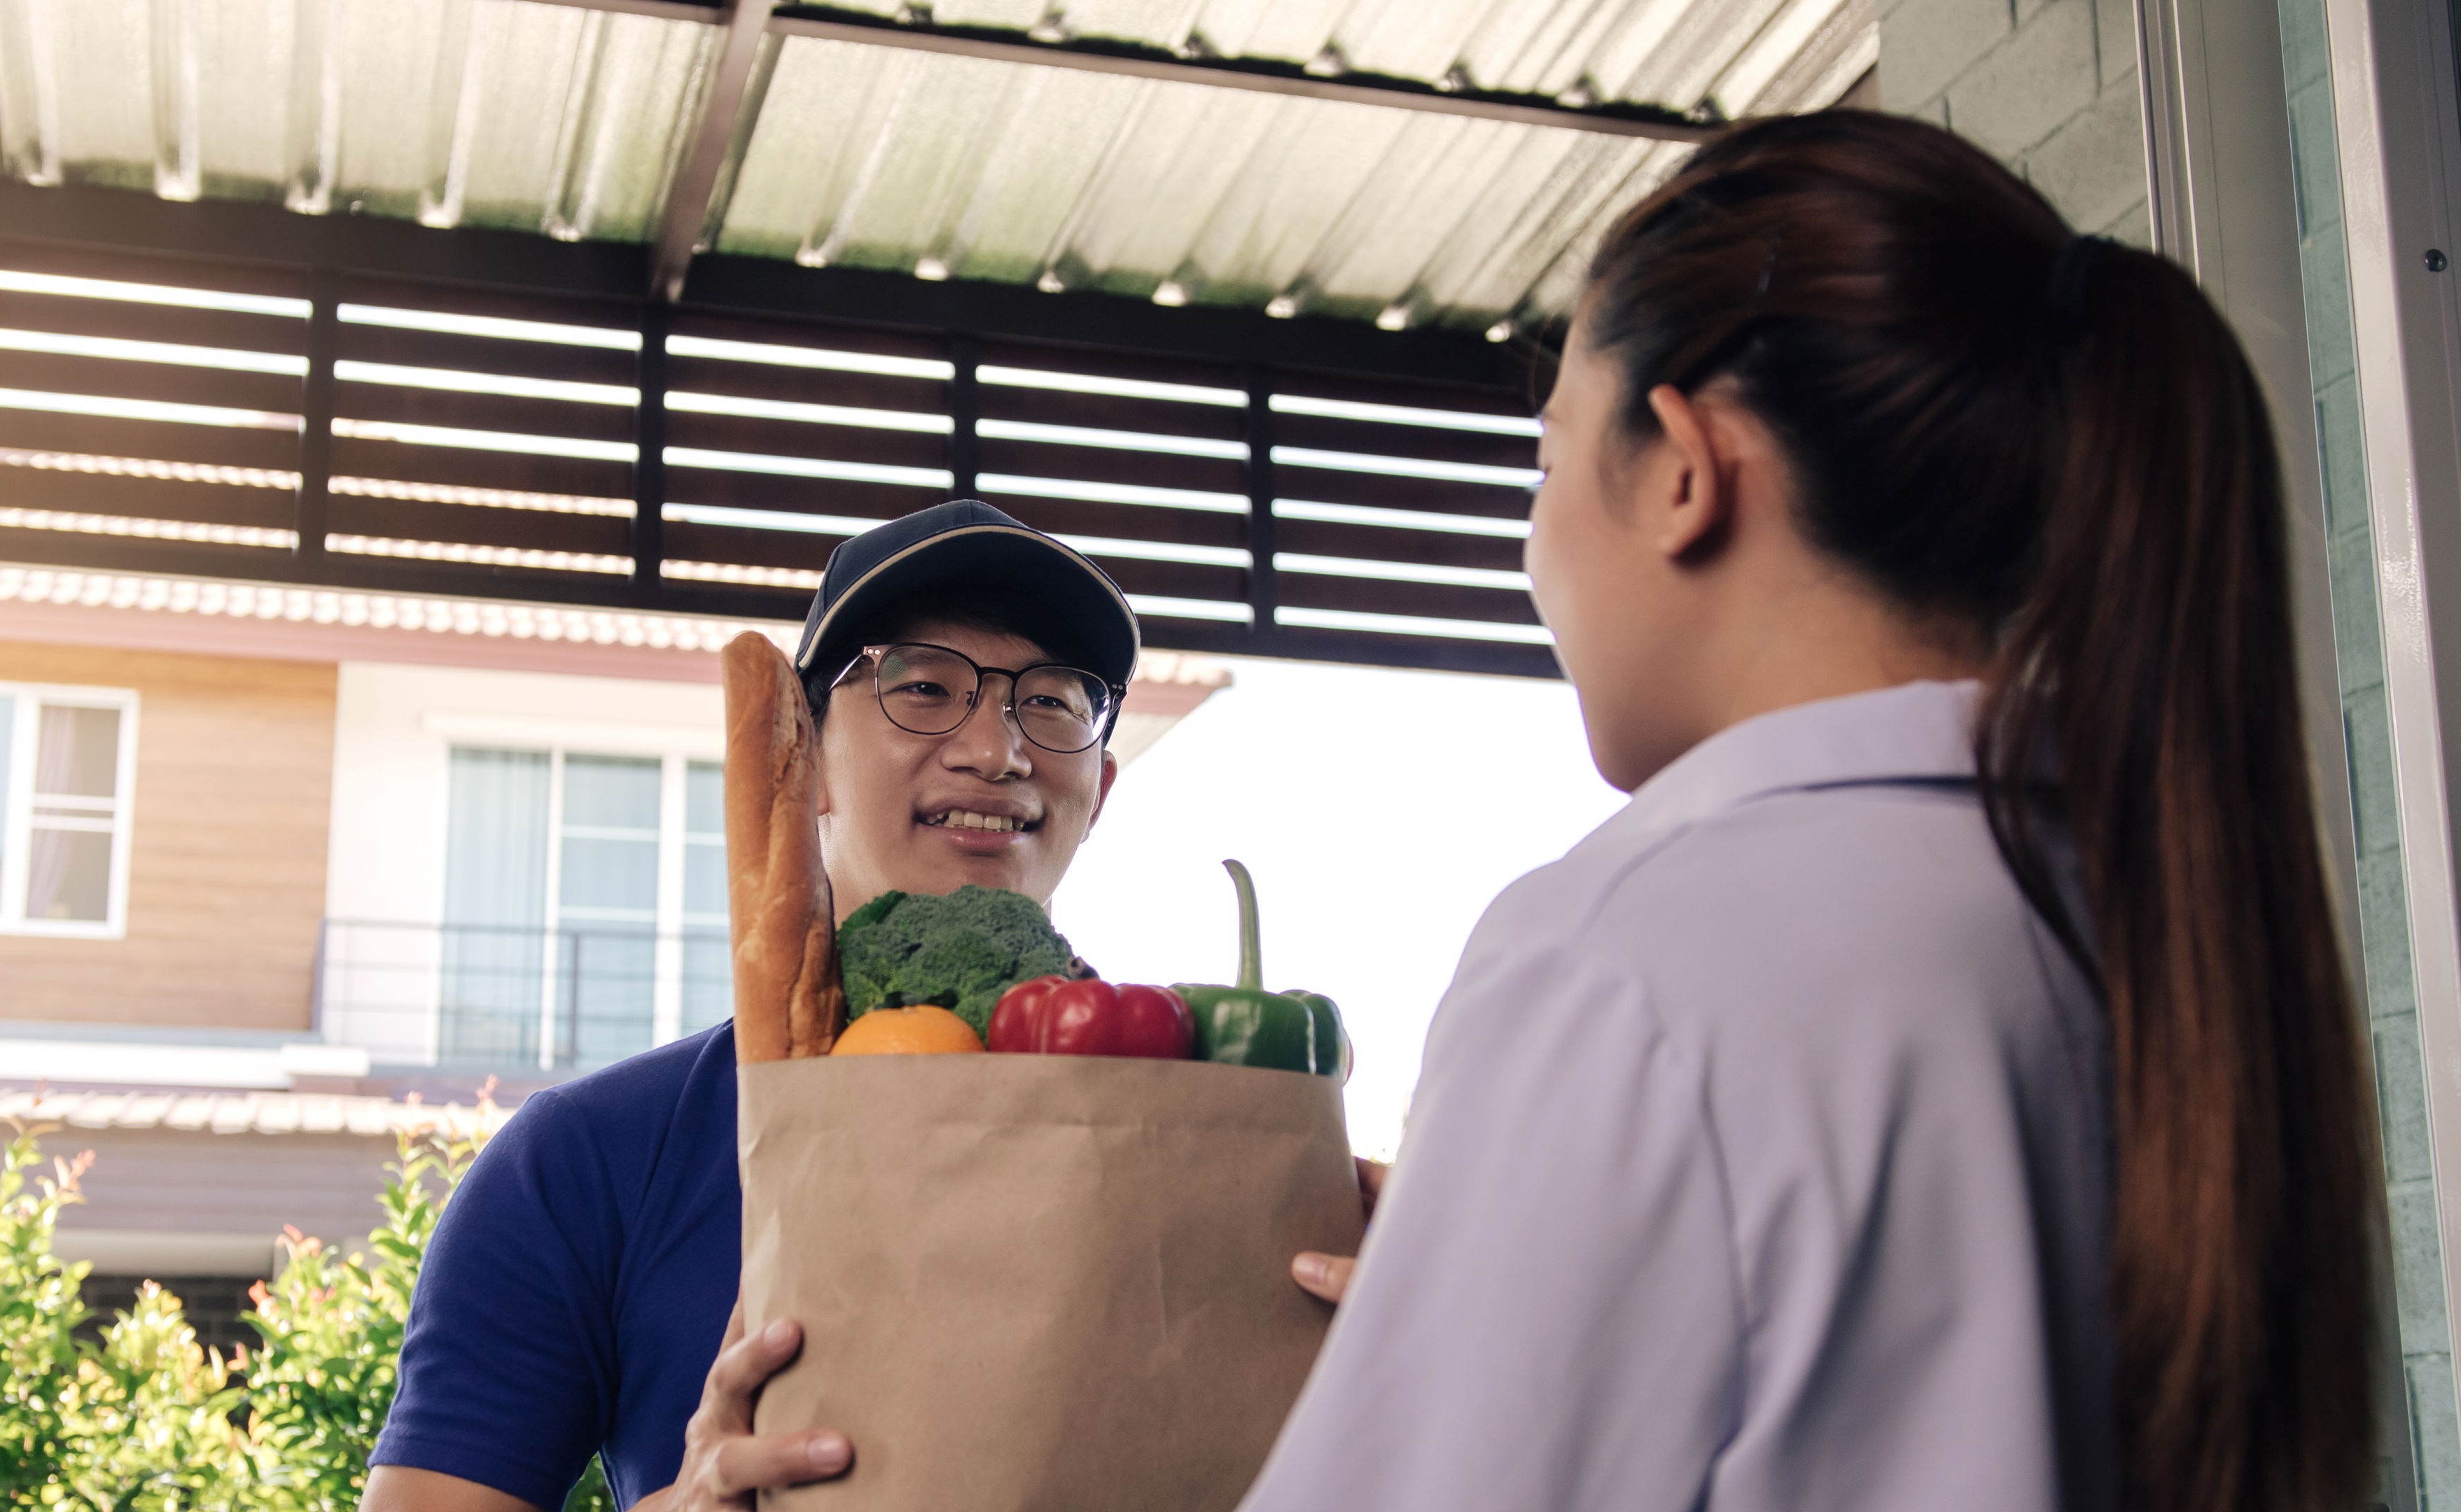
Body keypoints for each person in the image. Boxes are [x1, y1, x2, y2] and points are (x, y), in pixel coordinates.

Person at [1241, 111, 2379, 1512]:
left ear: (1681, 466)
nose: (1534, 553)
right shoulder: (2162, 907)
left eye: (1547, 462)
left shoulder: (1624, 956)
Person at [361, 500, 1138, 1511]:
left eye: (1054, 702)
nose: (996, 749)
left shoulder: (1198, 1128)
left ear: (1102, 786)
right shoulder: (590, 1161)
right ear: (802, 756)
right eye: (924, 686)